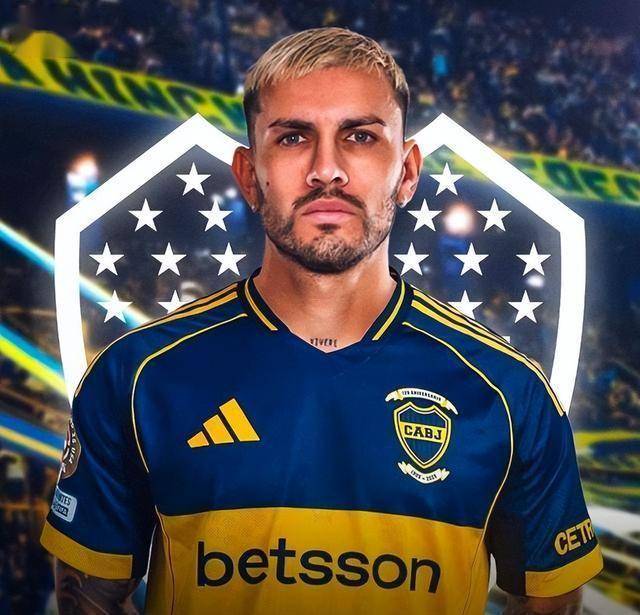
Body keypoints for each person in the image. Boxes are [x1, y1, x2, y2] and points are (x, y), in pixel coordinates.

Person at [40, 27, 602, 614]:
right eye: (292, 137)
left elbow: (550, 601)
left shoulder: (510, 392)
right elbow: (88, 597)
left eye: (360, 136)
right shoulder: (136, 375)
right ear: (249, 175)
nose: (326, 170)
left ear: (408, 172)